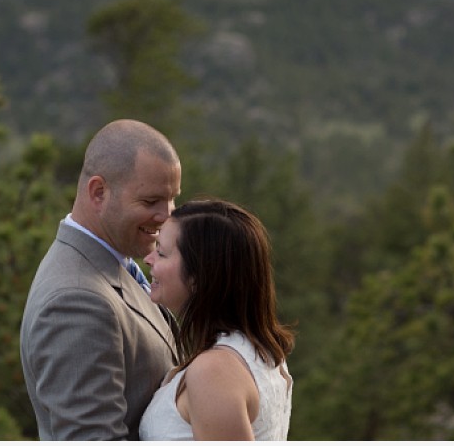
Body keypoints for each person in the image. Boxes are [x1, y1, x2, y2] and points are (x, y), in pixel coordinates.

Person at [20, 119, 181, 440]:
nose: (168, 216)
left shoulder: (109, 269)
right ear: (98, 192)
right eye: (151, 202)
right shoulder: (76, 300)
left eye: (173, 198)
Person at [139, 199, 295, 440]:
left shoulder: (215, 371)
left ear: (199, 276)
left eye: (161, 252)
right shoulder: (259, 352)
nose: (149, 258)